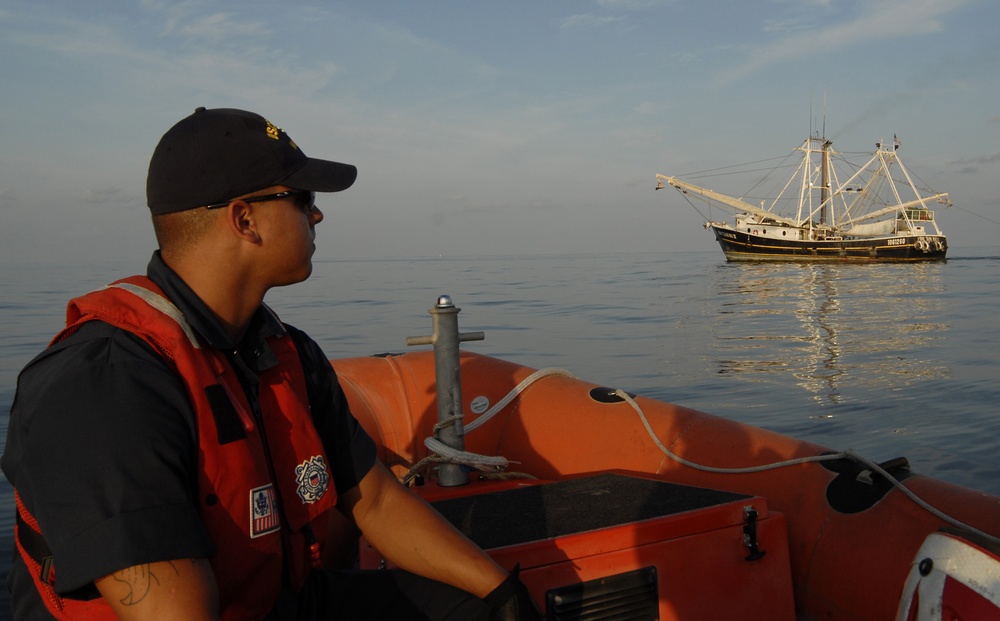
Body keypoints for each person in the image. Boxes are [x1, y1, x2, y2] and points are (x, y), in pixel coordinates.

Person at [2, 107, 541, 620]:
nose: (317, 212)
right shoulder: (105, 384)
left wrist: (502, 592)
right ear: (244, 220)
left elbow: (373, 499)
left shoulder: (285, 352)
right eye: (301, 197)